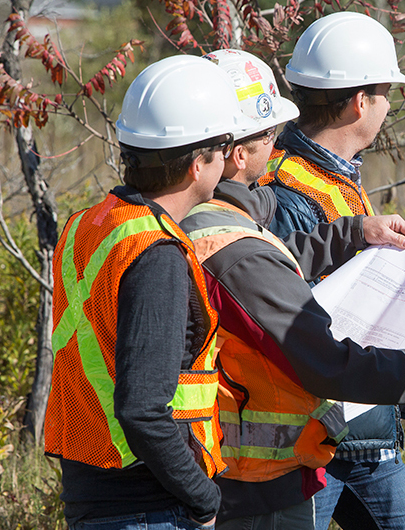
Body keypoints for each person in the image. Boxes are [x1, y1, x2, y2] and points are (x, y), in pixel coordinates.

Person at [181, 48, 405, 530]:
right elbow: (320, 348)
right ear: (237, 151)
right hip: (290, 454)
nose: (277, 145)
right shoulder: (264, 209)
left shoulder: (227, 213)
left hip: (320, 438)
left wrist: (388, 244)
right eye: (269, 133)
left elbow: (281, 259)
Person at [44, 55, 254, 529]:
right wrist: (204, 499)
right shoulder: (155, 253)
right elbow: (141, 411)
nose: (228, 158)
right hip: (147, 504)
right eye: (224, 146)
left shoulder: (89, 225)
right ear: (198, 163)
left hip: (94, 490)